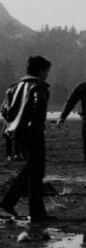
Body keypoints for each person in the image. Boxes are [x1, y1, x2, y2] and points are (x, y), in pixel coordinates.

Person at [0, 56, 55, 222]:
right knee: (36, 172)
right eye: (46, 71)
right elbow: (39, 106)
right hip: (32, 132)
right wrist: (37, 124)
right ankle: (36, 213)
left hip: (15, 133)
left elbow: (4, 110)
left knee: (32, 169)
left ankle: (9, 201)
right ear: (40, 71)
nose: (47, 75)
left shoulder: (14, 87)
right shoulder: (39, 87)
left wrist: (13, 122)